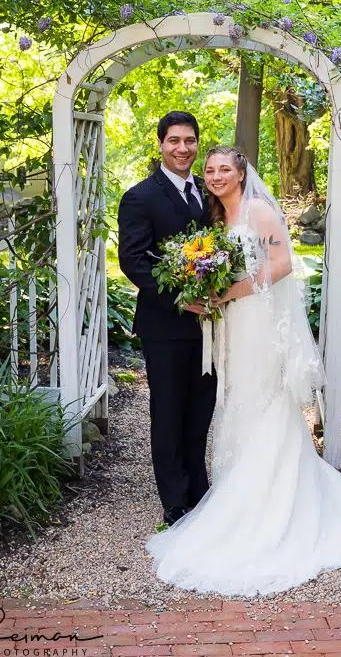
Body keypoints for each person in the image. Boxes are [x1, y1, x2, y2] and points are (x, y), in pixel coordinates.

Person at [146, 146, 341, 597]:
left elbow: (282, 265)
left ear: (241, 173)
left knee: (262, 404)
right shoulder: (215, 217)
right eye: (210, 170)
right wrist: (207, 289)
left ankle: (268, 506)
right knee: (236, 407)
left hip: (257, 326)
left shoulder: (258, 210)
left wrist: (228, 292)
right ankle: (240, 495)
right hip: (231, 325)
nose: (216, 175)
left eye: (224, 168)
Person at [118, 112, 217, 528]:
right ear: (159, 143)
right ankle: (175, 501)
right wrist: (183, 299)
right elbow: (133, 262)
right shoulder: (141, 196)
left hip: (211, 327)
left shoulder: (209, 192)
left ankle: (199, 488)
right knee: (170, 411)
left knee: (201, 410)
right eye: (174, 140)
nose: (183, 148)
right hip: (165, 325)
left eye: (190, 141)